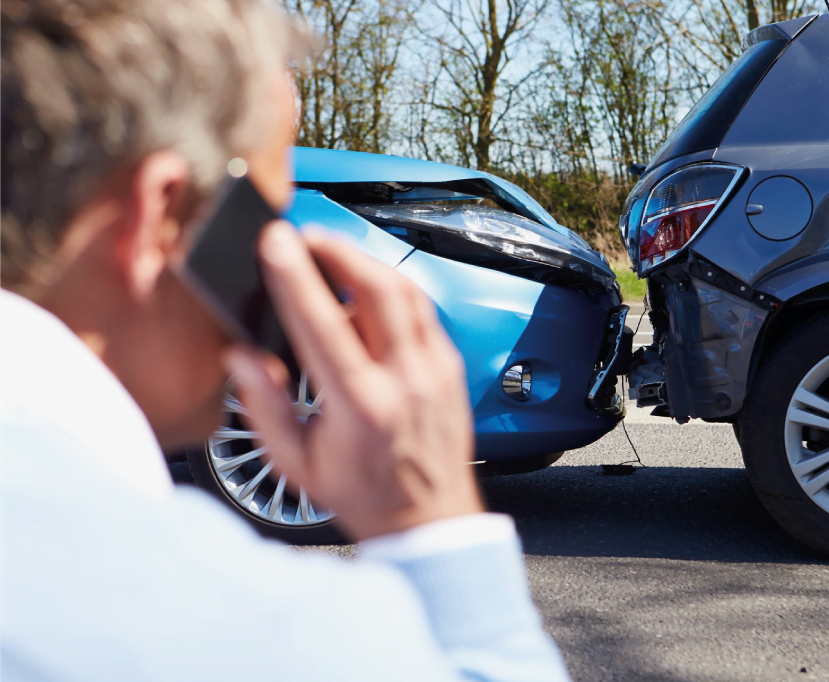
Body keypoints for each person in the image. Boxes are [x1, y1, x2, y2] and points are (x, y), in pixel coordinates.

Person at [0, 1, 570, 680]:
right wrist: (432, 518)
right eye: (262, 220)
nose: (276, 267)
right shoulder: (223, 624)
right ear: (160, 220)